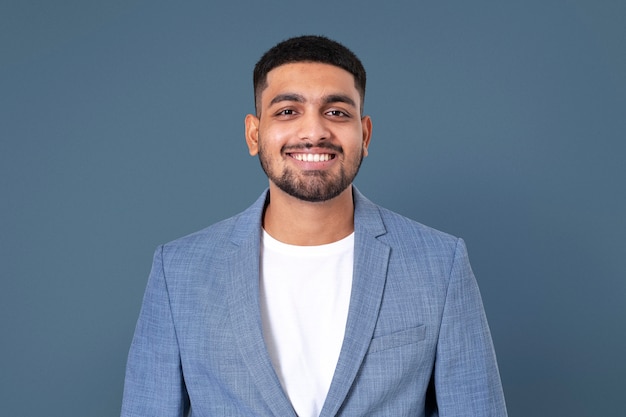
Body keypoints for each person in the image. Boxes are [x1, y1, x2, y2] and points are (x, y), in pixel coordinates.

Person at [121, 35, 507, 417]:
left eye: (336, 112)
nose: (314, 132)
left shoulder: (441, 263)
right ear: (254, 134)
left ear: (365, 134)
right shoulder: (178, 271)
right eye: (288, 111)